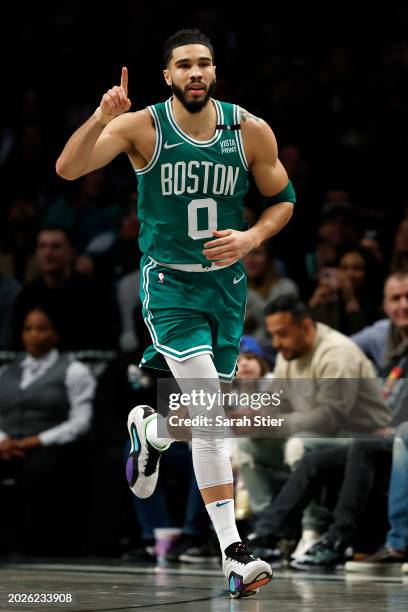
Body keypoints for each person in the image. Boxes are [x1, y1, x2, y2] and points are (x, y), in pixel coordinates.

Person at [56, 28, 295, 598]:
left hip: (227, 287)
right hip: (168, 288)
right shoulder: (143, 125)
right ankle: (234, 554)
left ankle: (154, 431)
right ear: (167, 75)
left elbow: (283, 200)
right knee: (213, 413)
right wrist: (99, 116)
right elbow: (68, 169)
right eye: (184, 64)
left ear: (214, 72)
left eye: (204, 64)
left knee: (202, 411)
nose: (195, 72)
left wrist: (252, 237)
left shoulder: (249, 130)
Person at [0, 307, 95, 554]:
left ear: (55, 335)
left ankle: (32, 544)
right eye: (28, 329)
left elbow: (80, 422)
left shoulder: (74, 370)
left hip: (51, 445)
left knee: (39, 471)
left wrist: (34, 441)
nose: (34, 335)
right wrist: (4, 441)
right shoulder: (6, 371)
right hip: (8, 445)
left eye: (41, 329)